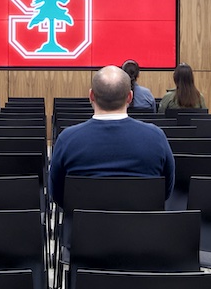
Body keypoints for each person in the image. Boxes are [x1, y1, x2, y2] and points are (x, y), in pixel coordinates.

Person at [47, 65, 174, 204]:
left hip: (85, 225)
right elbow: (166, 192)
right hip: (144, 225)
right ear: (130, 97)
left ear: (91, 96)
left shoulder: (67, 139)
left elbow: (57, 195)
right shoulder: (156, 138)